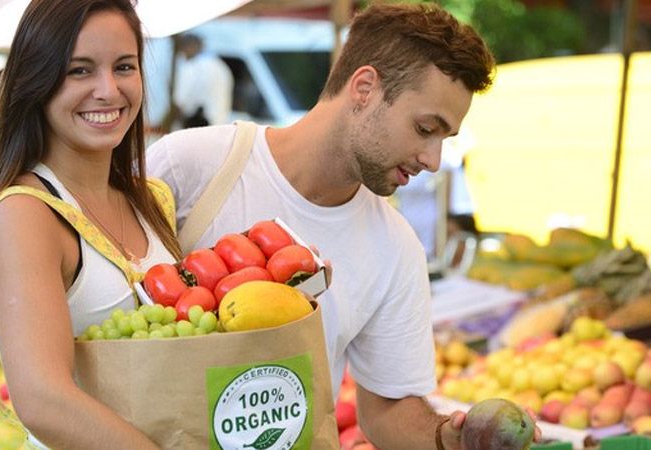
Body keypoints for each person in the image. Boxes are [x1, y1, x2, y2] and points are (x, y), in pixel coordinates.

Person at [148, 3, 498, 448]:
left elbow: (386, 408)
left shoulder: (395, 247)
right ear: (365, 88)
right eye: (425, 128)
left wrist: (447, 439)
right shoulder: (190, 166)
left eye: (443, 139)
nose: (432, 160)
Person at [0, 0, 181, 448]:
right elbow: (44, 400)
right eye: (79, 71)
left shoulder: (153, 202)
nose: (108, 90)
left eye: (124, 66)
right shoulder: (25, 213)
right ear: (37, 82)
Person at [173, 33, 234, 128]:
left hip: (199, 126)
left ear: (190, 47)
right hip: (220, 125)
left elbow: (180, 101)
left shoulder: (192, 67)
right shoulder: (220, 65)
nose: (183, 54)